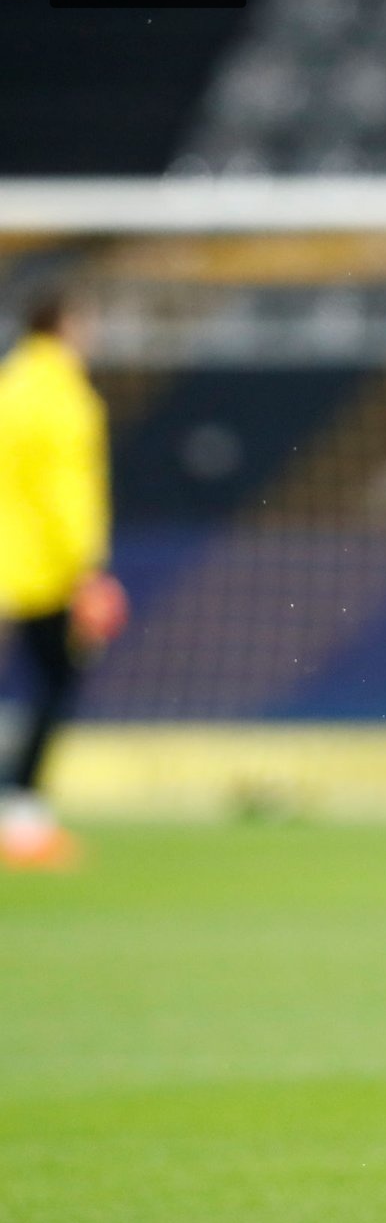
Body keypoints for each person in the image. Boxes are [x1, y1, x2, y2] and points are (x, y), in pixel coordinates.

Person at [0, 289, 128, 868]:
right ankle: (23, 817)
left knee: (43, 683)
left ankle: (21, 809)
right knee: (57, 685)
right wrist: (87, 569)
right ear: (68, 326)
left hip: (12, 566)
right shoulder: (66, 397)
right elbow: (67, 492)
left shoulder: (12, 384)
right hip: (48, 571)